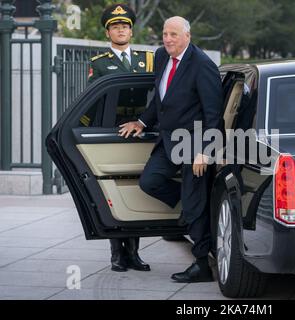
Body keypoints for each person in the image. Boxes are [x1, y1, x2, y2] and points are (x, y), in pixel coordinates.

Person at [119, 16, 223, 283]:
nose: (167, 39)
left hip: (193, 143)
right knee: (149, 181)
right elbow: (160, 99)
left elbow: (214, 115)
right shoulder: (162, 58)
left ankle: (202, 265)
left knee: (193, 201)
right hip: (168, 140)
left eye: (173, 34)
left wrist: (205, 150)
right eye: (165, 34)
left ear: (187, 36)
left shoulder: (203, 65)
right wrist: (142, 122)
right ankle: (190, 210)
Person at [87, 3, 153, 273]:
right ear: (108, 33)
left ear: (131, 30)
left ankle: (134, 254)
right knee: (113, 191)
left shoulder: (147, 59)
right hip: (112, 132)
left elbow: (157, 95)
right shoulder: (99, 64)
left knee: (134, 190)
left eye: (124, 26)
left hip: (141, 130)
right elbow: (93, 101)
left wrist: (145, 122)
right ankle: (117, 254)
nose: (121, 30)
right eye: (115, 27)